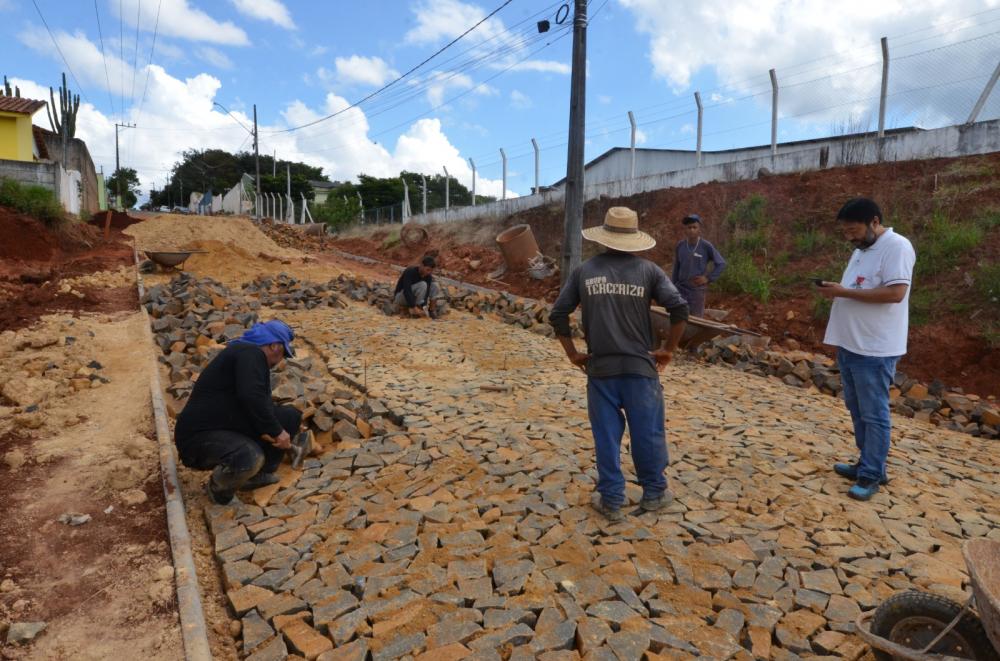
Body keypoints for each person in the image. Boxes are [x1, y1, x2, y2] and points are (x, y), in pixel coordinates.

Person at [549, 207, 689, 522]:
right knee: (647, 432)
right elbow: (680, 309)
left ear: (603, 237)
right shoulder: (649, 271)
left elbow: (558, 314)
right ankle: (654, 492)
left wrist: (573, 354)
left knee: (606, 435)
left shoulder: (584, 271)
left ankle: (611, 498)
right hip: (641, 370)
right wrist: (668, 350)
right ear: (633, 238)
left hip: (601, 371)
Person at [817, 197, 915, 501]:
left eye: (854, 230)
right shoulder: (862, 249)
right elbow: (860, 288)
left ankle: (872, 475)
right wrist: (839, 290)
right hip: (851, 344)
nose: (850, 237)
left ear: (874, 221)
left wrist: (844, 292)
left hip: (874, 348)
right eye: (845, 231)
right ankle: (867, 463)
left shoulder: (897, 246)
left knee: (874, 414)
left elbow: (896, 293)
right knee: (857, 410)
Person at [174, 319, 302, 505]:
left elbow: (260, 404)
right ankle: (219, 488)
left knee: (289, 416)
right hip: (197, 439)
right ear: (274, 346)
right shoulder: (250, 353)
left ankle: (256, 476)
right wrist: (276, 432)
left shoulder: (248, 355)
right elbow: (251, 396)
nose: (281, 359)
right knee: (249, 456)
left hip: (224, 423)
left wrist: (276, 428)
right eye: (283, 353)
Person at [671, 214, 726, 317]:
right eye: (689, 227)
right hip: (681, 289)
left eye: (694, 227)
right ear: (685, 230)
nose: (691, 230)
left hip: (696, 291)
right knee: (678, 317)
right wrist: (672, 287)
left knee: (695, 319)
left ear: (699, 229)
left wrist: (708, 278)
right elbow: (676, 267)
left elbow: (721, 263)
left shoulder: (706, 246)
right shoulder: (680, 245)